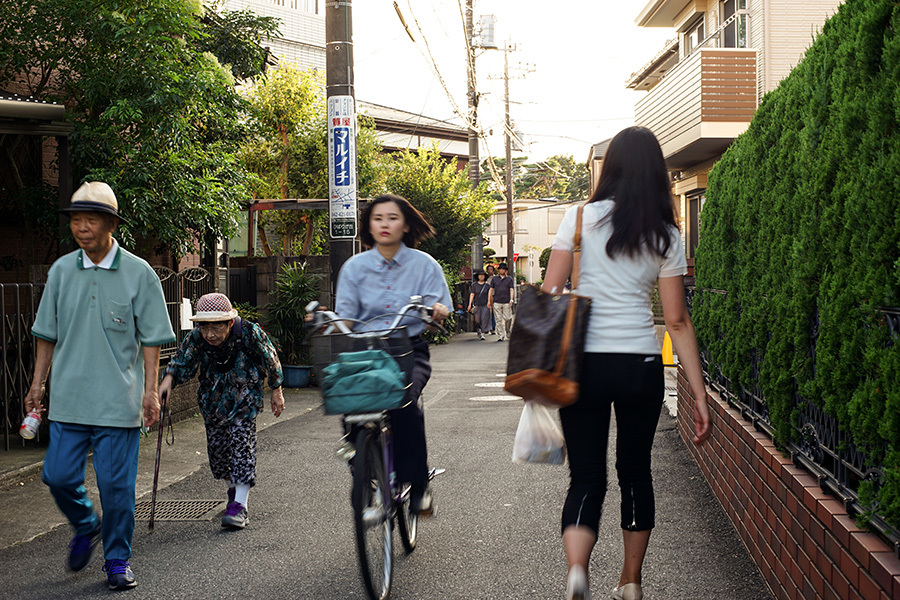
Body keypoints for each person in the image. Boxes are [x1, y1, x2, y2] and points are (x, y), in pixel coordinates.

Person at [541, 126, 711, 600]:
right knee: (635, 471)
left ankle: (578, 570)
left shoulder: (577, 219)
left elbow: (551, 294)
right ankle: (631, 582)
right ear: (655, 172)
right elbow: (676, 322)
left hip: (585, 365)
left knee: (587, 476)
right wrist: (698, 394)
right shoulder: (665, 234)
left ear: (609, 167)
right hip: (639, 364)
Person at [25, 181, 175, 590]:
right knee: (56, 475)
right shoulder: (60, 271)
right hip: (69, 398)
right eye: (75, 219)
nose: (81, 227)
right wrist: (37, 384)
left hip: (118, 400)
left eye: (90, 219)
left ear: (111, 223)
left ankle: (117, 559)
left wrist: (149, 391)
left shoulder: (139, 273)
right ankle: (85, 524)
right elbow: (46, 333)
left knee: (116, 487)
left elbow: (151, 339)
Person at [334, 193, 451, 514]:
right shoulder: (354, 268)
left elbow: (436, 308)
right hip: (365, 352)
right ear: (369, 226)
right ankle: (367, 474)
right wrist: (328, 324)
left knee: (405, 403)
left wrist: (437, 311)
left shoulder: (424, 264)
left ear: (405, 224)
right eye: (377, 218)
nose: (385, 224)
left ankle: (418, 486)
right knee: (349, 407)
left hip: (408, 349)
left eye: (392, 218)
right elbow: (344, 316)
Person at [159, 293, 284, 529]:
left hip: (245, 398)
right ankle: (233, 491)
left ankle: (240, 506)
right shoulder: (196, 338)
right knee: (218, 455)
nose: (210, 334)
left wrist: (276, 390)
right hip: (213, 401)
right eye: (204, 327)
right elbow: (180, 362)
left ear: (228, 323)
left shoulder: (249, 332)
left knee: (241, 446)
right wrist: (167, 382)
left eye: (215, 327)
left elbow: (271, 358)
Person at [488, 262, 515, 341]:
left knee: (508, 318)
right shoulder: (495, 279)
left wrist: (511, 299)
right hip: (497, 301)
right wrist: (489, 300)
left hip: (506, 301)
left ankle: (507, 330)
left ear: (505, 270)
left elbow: (511, 289)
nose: (502, 270)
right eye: (500, 269)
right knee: (498, 319)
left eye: (503, 269)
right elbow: (491, 289)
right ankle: (500, 335)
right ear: (499, 270)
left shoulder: (509, 279)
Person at [467, 270, 492, 340]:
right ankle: (478, 329)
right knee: (477, 320)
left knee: (484, 319)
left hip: (485, 304)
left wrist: (489, 302)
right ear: (477, 276)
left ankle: (483, 333)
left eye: (483, 275)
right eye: (480, 275)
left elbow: (489, 295)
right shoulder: (474, 285)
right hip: (477, 305)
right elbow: (472, 294)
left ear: (485, 277)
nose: (481, 276)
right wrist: (469, 304)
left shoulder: (487, 286)